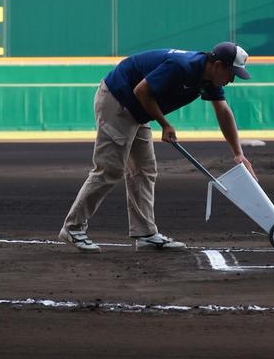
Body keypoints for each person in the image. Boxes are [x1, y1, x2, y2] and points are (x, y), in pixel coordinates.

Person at [59, 42, 255, 253]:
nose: (232, 80)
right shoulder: (182, 66)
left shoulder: (209, 79)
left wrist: (238, 153)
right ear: (218, 65)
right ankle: (73, 227)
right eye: (231, 73)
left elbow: (223, 112)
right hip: (118, 100)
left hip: (138, 110)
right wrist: (164, 124)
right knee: (110, 168)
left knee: (144, 170)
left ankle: (145, 234)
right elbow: (141, 90)